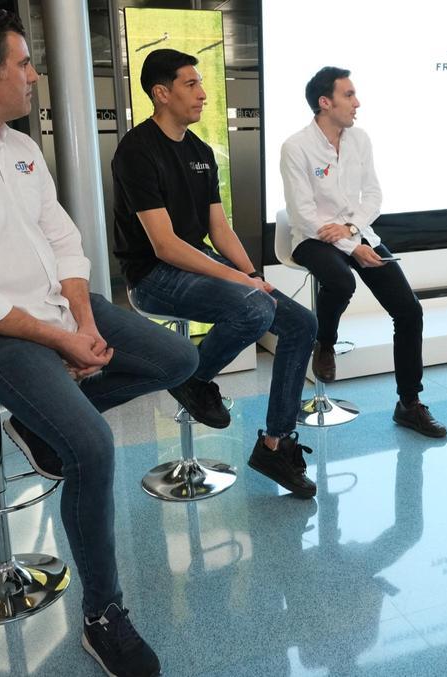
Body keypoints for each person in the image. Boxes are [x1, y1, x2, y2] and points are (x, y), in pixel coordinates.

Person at [0, 8, 186, 676]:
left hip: (52, 312)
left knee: (177, 358)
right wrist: (60, 342)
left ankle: (43, 421)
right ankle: (103, 616)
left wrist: (81, 323)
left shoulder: (21, 149)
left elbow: (63, 240)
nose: (33, 74)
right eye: (23, 62)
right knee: (91, 444)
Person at [111, 49, 320, 498]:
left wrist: (250, 273)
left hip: (197, 263)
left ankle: (274, 443)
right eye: (191, 84)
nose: (203, 94)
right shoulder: (136, 151)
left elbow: (218, 227)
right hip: (152, 276)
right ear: (160, 93)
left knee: (301, 322)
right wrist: (242, 285)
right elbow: (164, 245)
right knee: (253, 309)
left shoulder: (201, 151)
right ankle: (191, 377)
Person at [279, 66, 447, 438]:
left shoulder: (360, 139)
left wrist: (354, 232)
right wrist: (354, 248)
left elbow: (373, 196)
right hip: (311, 238)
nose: (358, 103)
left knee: (408, 310)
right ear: (325, 103)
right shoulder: (295, 147)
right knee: (340, 281)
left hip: (354, 230)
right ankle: (326, 342)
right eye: (349, 95)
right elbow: (304, 216)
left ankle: (408, 404)